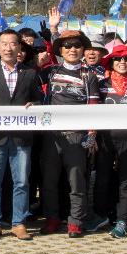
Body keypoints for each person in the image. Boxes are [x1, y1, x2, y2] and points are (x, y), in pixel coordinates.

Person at [0, 29, 44, 241]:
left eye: (13, 44)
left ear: (19, 48)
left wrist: (36, 104)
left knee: (21, 182)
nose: (8, 48)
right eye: (4, 44)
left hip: (22, 137)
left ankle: (18, 223)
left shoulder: (30, 73)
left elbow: (40, 99)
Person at [40, 31, 101, 238]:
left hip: (77, 135)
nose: (72, 49)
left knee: (77, 181)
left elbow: (94, 106)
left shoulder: (89, 76)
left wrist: (91, 135)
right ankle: (52, 218)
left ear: (83, 49)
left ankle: (75, 221)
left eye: (77, 45)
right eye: (67, 46)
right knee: (49, 181)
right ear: (60, 50)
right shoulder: (51, 71)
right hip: (51, 134)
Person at [96, 44, 127, 239]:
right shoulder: (101, 84)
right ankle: (100, 216)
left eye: (126, 59)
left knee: (126, 181)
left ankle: (123, 220)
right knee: (102, 179)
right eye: (118, 59)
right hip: (105, 139)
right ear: (111, 62)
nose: (122, 62)